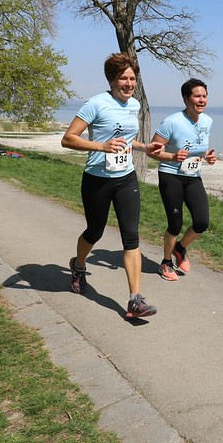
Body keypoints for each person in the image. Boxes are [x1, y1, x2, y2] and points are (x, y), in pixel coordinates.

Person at [61, 53, 163, 319]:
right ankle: (79, 266)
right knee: (94, 231)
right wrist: (101, 146)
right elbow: (68, 139)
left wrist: (144, 147)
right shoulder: (96, 104)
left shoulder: (134, 105)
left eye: (132, 78)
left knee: (131, 237)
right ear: (112, 79)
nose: (129, 83)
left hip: (125, 178)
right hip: (97, 179)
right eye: (123, 78)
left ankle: (135, 299)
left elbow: (126, 141)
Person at [147, 78, 217, 281]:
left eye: (204, 96)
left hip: (193, 177)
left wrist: (208, 157)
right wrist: (172, 156)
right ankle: (166, 262)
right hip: (171, 176)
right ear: (186, 98)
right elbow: (152, 151)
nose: (202, 100)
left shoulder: (207, 121)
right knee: (175, 224)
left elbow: (200, 149)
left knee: (202, 222)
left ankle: (180, 248)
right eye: (197, 96)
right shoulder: (172, 122)